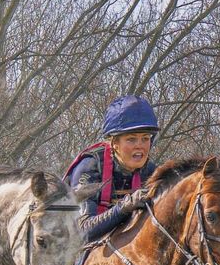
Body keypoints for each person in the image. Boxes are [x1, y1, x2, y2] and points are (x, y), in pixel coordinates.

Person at [65, 95, 161, 242]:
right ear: (114, 143)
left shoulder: (151, 172)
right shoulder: (89, 167)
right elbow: (83, 232)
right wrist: (124, 207)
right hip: (70, 247)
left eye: (145, 139)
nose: (140, 145)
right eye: (131, 139)